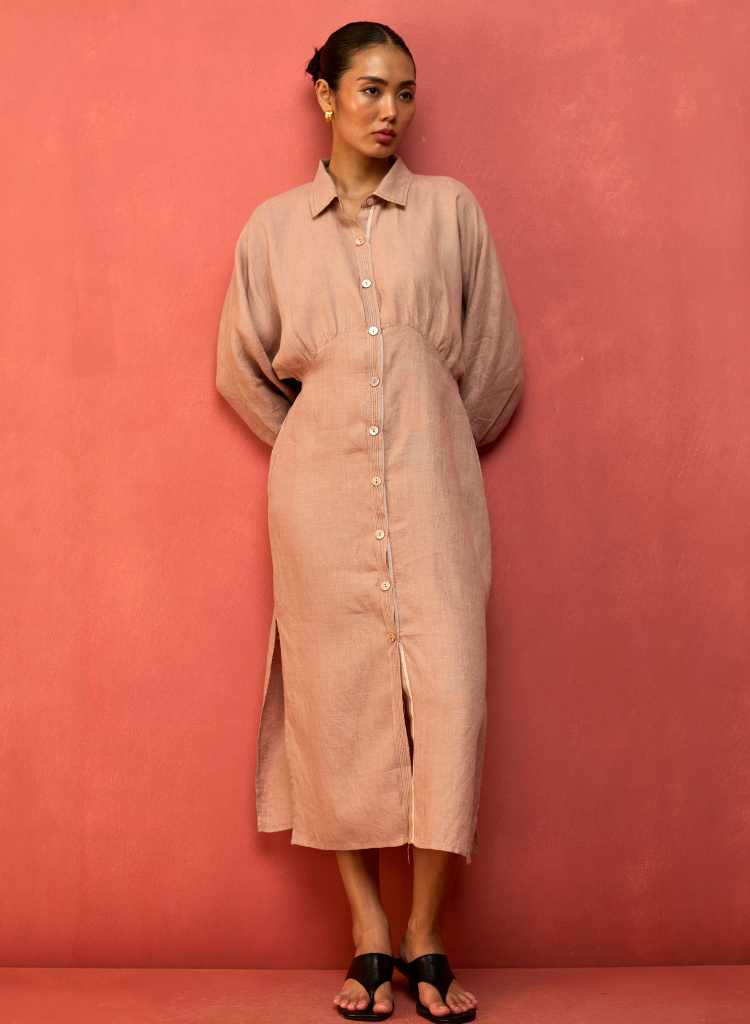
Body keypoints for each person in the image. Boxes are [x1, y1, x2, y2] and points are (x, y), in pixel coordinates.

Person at [216, 21, 523, 1022]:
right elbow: (241, 369)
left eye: (406, 92)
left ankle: (428, 933)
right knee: (336, 702)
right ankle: (371, 934)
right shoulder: (271, 230)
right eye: (371, 90)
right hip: (320, 508)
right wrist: (321, 448)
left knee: (448, 700)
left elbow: (494, 364)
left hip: (436, 497)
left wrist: (431, 441)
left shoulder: (451, 213)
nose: (391, 111)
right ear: (326, 95)